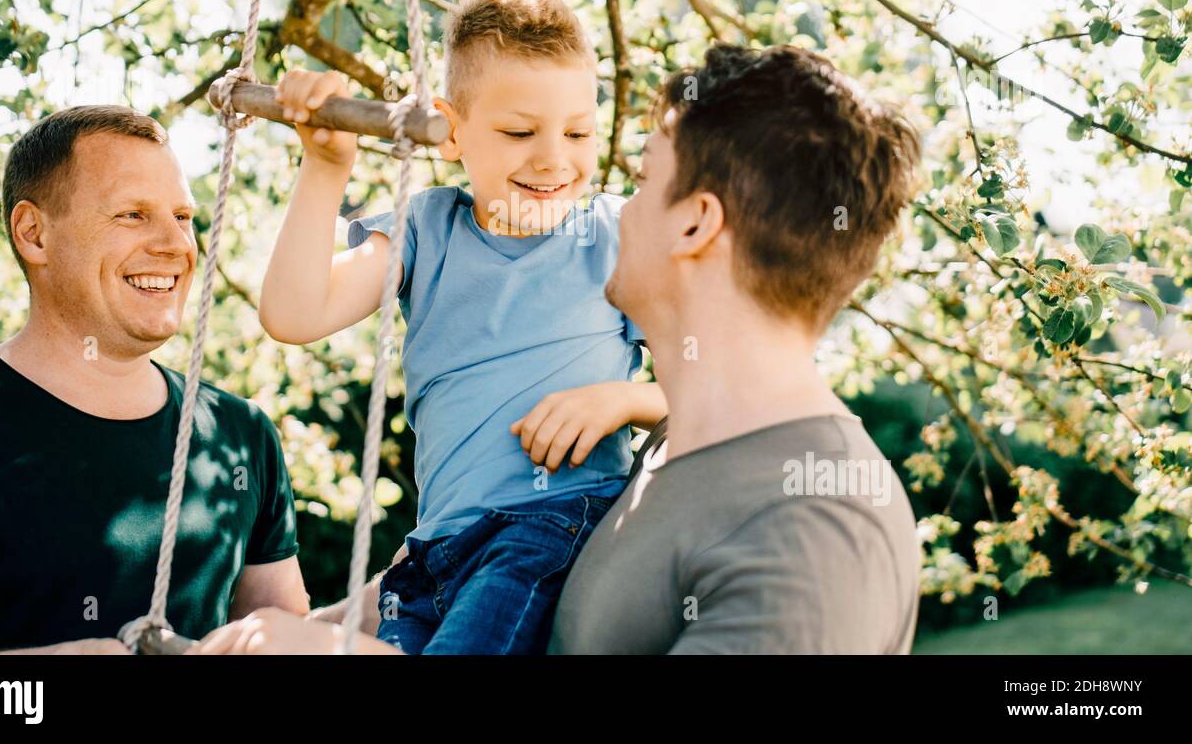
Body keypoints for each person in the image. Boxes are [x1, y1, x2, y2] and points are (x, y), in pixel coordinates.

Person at [193, 42, 923, 655]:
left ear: (695, 225)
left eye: (641, 182)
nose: (605, 203)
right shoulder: (659, 459)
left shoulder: (814, 525)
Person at [257, 0, 666, 654]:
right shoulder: (425, 229)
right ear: (450, 133)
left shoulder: (620, 237)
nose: (552, 158)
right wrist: (325, 167)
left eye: (578, 132)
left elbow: (712, 384)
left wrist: (621, 399)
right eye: (518, 131)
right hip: (429, 552)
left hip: (549, 525)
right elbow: (294, 314)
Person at [0, 106, 309, 654]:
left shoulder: (241, 433)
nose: (175, 245)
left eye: (182, 217)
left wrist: (394, 593)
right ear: (34, 234)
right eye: (132, 215)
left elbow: (286, 642)